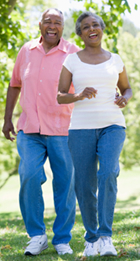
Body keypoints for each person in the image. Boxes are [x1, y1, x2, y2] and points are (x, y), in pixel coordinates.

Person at [2, 8, 80, 256]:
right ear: (39, 24)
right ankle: (37, 235)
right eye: (48, 21)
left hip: (63, 129)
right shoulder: (26, 50)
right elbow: (15, 85)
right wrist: (6, 119)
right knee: (29, 176)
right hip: (29, 128)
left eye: (57, 22)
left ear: (62, 27)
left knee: (65, 184)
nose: (52, 26)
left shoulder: (73, 53)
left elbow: (83, 88)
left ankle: (62, 238)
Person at [57, 11, 132, 257]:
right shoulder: (72, 60)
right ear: (79, 33)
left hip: (112, 124)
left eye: (96, 25)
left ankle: (105, 236)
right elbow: (60, 95)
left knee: (108, 172)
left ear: (101, 29)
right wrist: (78, 95)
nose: (92, 29)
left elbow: (127, 88)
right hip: (80, 128)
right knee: (84, 184)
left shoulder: (116, 59)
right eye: (86, 26)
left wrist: (125, 98)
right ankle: (91, 239)